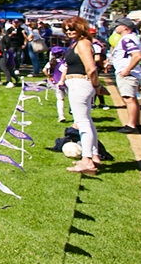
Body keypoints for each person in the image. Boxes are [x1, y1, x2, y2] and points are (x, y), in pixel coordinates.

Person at [61, 16, 102, 174]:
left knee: (82, 123)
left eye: (72, 28)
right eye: (66, 29)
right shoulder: (78, 43)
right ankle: (94, 155)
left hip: (80, 84)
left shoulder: (84, 43)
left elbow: (91, 68)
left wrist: (97, 86)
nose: (69, 31)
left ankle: (87, 160)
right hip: (78, 84)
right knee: (87, 121)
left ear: (81, 28)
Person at [108, 17, 141, 133]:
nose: (115, 27)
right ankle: (136, 123)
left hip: (127, 73)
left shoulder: (127, 39)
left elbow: (137, 55)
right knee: (132, 98)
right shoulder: (130, 38)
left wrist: (127, 69)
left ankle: (131, 125)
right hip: (130, 72)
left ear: (124, 27)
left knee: (129, 99)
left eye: (117, 25)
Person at [45, 46, 68, 122]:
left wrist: (49, 76)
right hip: (66, 82)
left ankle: (61, 115)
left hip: (55, 82)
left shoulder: (51, 62)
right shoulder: (63, 63)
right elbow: (65, 70)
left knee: (60, 99)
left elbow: (44, 70)